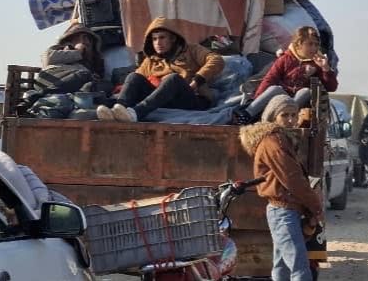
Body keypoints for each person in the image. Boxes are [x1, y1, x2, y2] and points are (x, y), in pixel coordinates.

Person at [239, 95, 322, 281]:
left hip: (283, 210)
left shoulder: (281, 138)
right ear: (273, 117)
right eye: (285, 115)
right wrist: (316, 208)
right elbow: (293, 180)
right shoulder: (273, 142)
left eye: (294, 115)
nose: (291, 120)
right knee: (300, 269)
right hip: (284, 211)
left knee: (282, 267)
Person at [97, 18, 223, 122]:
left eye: (162, 37)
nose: (158, 42)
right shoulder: (151, 60)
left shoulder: (192, 49)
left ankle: (135, 113)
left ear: (173, 39)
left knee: (172, 78)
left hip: (192, 99)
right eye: (154, 39)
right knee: (133, 77)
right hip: (165, 101)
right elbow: (135, 82)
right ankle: (118, 111)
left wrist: (197, 80)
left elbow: (217, 60)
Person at [236, 27, 339, 125]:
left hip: (297, 103)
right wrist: (257, 98)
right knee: (275, 88)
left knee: (306, 91)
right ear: (299, 44)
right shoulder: (285, 59)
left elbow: (331, 87)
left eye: (316, 45)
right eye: (310, 44)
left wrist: (325, 68)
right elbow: (270, 79)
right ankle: (247, 114)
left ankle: (287, 116)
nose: (314, 48)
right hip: (280, 98)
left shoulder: (318, 62)